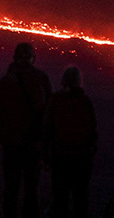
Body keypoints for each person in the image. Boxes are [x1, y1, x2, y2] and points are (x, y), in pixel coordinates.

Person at [0, 42, 53, 218]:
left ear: (15, 58)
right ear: (33, 58)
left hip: (11, 143)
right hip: (33, 143)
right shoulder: (41, 78)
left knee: (11, 187)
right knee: (32, 188)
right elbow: (49, 112)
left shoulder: (7, 80)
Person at [44, 66, 97, 218]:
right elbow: (92, 129)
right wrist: (91, 151)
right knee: (81, 197)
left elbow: (47, 128)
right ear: (80, 81)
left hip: (60, 155)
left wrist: (45, 154)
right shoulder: (85, 101)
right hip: (82, 157)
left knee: (60, 196)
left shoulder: (55, 101)